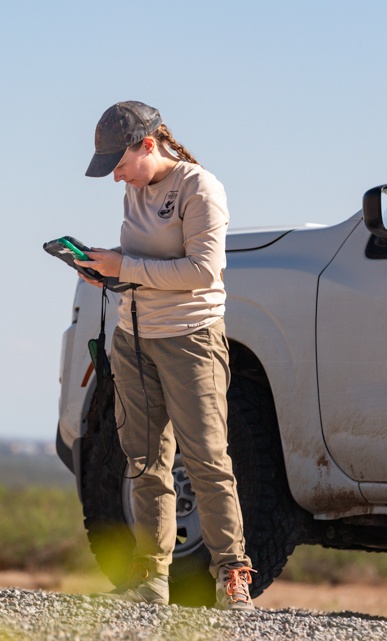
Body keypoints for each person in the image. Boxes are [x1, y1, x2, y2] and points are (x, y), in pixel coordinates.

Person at [76, 100, 255, 611]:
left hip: (190, 339)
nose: (116, 177)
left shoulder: (201, 188)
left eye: (120, 164)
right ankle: (150, 577)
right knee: (145, 460)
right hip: (133, 337)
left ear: (148, 146)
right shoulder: (135, 190)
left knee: (206, 458)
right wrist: (106, 270)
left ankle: (232, 575)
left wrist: (125, 267)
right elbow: (143, 260)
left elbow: (203, 272)